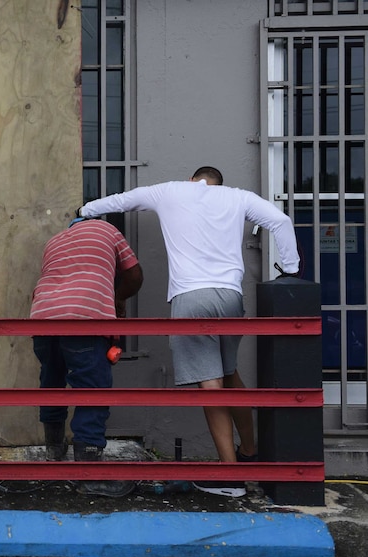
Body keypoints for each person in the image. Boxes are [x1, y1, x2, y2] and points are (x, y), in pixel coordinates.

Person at [79, 166, 301, 498]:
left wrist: (84, 211)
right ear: (218, 185)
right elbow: (281, 222)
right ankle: (250, 454)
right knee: (228, 375)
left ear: (192, 180)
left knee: (210, 385)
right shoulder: (238, 197)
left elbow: (122, 201)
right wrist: (291, 269)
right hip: (230, 297)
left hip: (192, 298)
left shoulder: (169, 190)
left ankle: (230, 477)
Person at [30, 215, 143, 498]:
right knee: (92, 390)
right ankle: (89, 474)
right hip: (83, 316)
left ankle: (54, 457)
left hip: (42, 316)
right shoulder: (107, 229)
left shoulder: (54, 241)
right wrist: (118, 299)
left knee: (52, 384)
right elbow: (134, 275)